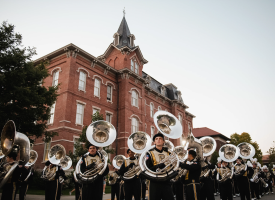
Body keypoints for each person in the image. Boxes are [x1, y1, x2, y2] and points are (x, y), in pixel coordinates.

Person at [146, 133, 174, 200]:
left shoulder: (169, 153)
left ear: (163, 141)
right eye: (156, 139)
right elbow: (148, 169)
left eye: (160, 139)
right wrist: (157, 166)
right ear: (154, 142)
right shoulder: (149, 153)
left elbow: (173, 166)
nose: (158, 140)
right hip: (155, 181)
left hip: (166, 180)